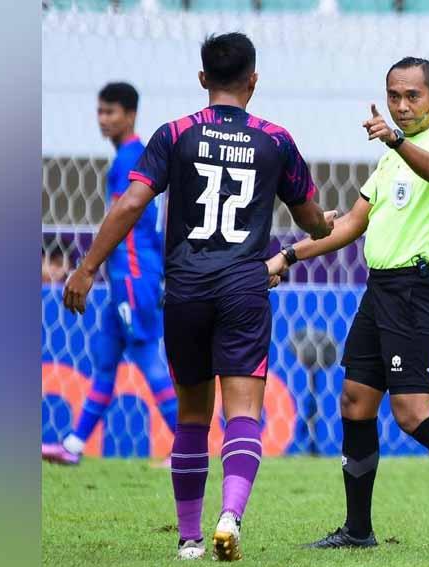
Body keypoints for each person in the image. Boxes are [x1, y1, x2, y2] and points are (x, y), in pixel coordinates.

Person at [62, 33, 335, 561]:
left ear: (203, 78)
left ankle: (188, 540)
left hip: (186, 288)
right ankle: (230, 516)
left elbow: (131, 204)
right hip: (244, 287)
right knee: (243, 413)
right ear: (254, 80)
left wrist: (87, 267)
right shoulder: (275, 140)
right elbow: (310, 220)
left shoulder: (176, 134)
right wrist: (325, 222)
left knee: (192, 416)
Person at [269, 56, 429, 552]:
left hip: (417, 288)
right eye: (394, 96)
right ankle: (357, 530)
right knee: (355, 400)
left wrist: (394, 138)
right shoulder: (389, 160)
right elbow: (351, 224)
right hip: (381, 289)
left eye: (413, 96)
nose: (402, 105)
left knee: (413, 413)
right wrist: (287, 256)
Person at [43, 82, 178, 466]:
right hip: (124, 274)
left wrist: (88, 267)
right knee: (105, 358)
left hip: (134, 273)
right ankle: (73, 446)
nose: (103, 119)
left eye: (111, 112)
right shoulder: (132, 156)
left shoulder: (130, 158)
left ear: (130, 115)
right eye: (100, 111)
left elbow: (123, 216)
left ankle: (185, 447)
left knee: (146, 353)